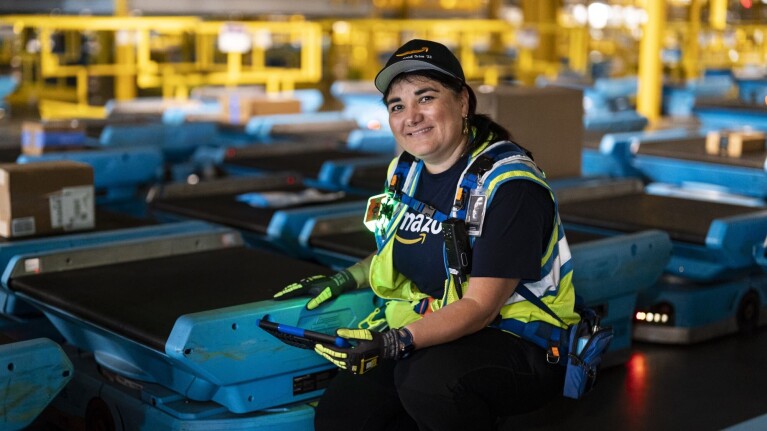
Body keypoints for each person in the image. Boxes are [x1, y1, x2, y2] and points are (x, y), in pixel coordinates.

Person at [274, 39, 581, 431]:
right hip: (434, 328)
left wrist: (395, 341)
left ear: (463, 102)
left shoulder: (509, 187)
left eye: (426, 97)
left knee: (427, 383)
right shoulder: (405, 173)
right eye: (397, 105)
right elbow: (397, 250)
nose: (411, 116)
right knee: (342, 413)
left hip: (522, 342)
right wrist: (346, 277)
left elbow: (481, 308)